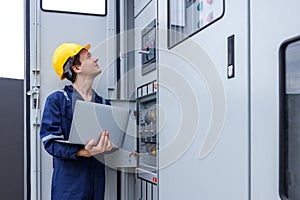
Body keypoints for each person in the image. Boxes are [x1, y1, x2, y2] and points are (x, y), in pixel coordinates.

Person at [40, 43, 113, 200]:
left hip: (96, 187)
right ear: (76, 68)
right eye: (88, 56)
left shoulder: (105, 105)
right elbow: (50, 142)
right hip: (69, 188)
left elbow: (111, 141)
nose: (96, 58)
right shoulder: (57, 100)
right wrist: (84, 152)